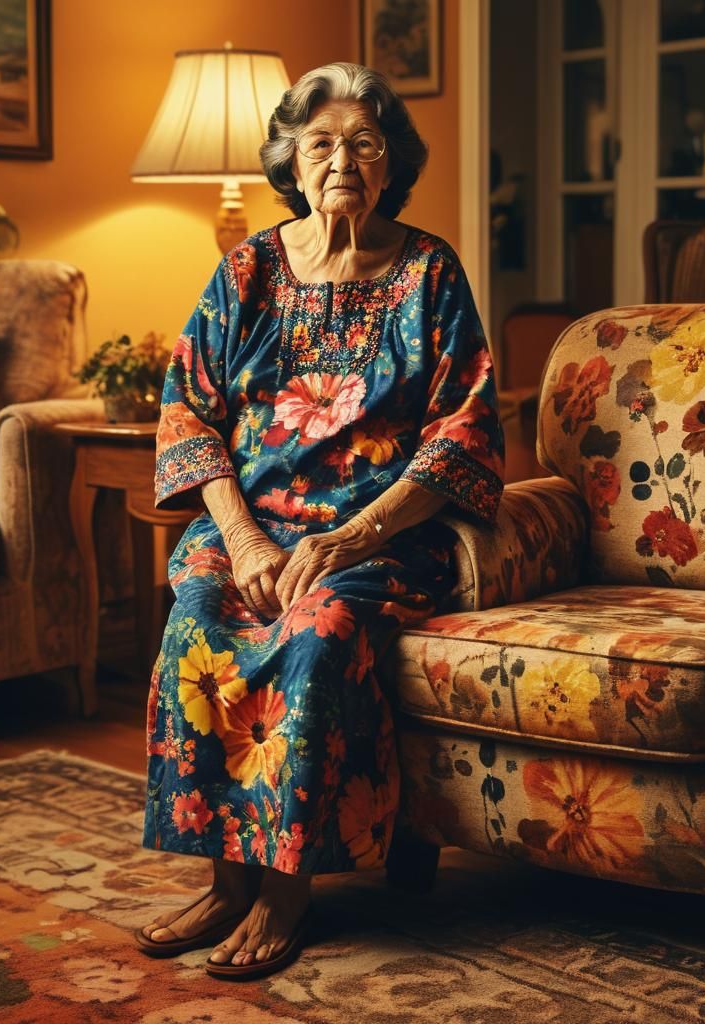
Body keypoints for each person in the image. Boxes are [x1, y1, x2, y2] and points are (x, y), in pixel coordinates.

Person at [134, 61, 504, 980]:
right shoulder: (247, 269)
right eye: (323, 143)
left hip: (374, 536)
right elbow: (188, 412)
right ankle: (226, 878)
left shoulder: (428, 272)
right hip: (248, 529)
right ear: (291, 162)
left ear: (391, 168)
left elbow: (466, 434)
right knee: (198, 621)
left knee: (315, 632)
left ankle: (287, 886)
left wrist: (348, 538)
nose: (343, 159)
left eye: (365, 144)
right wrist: (247, 537)